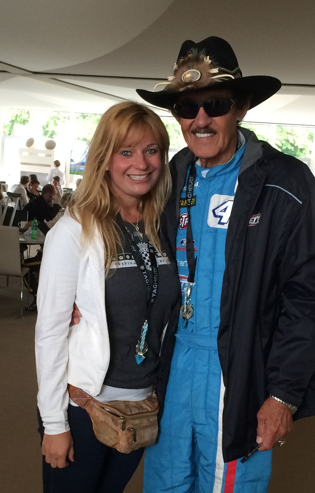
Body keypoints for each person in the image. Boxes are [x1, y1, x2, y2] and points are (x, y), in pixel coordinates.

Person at [136, 36, 315, 492]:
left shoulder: (287, 182)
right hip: (172, 370)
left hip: (239, 372)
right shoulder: (170, 176)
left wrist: (283, 394)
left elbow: (310, 299)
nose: (200, 119)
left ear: (242, 107)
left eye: (216, 104)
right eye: (187, 108)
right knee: (165, 483)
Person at [35, 101, 179, 493]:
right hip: (84, 405)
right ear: (104, 159)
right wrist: (54, 424)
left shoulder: (162, 227)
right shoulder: (73, 231)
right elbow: (50, 333)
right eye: (126, 152)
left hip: (142, 404)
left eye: (151, 150)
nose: (141, 163)